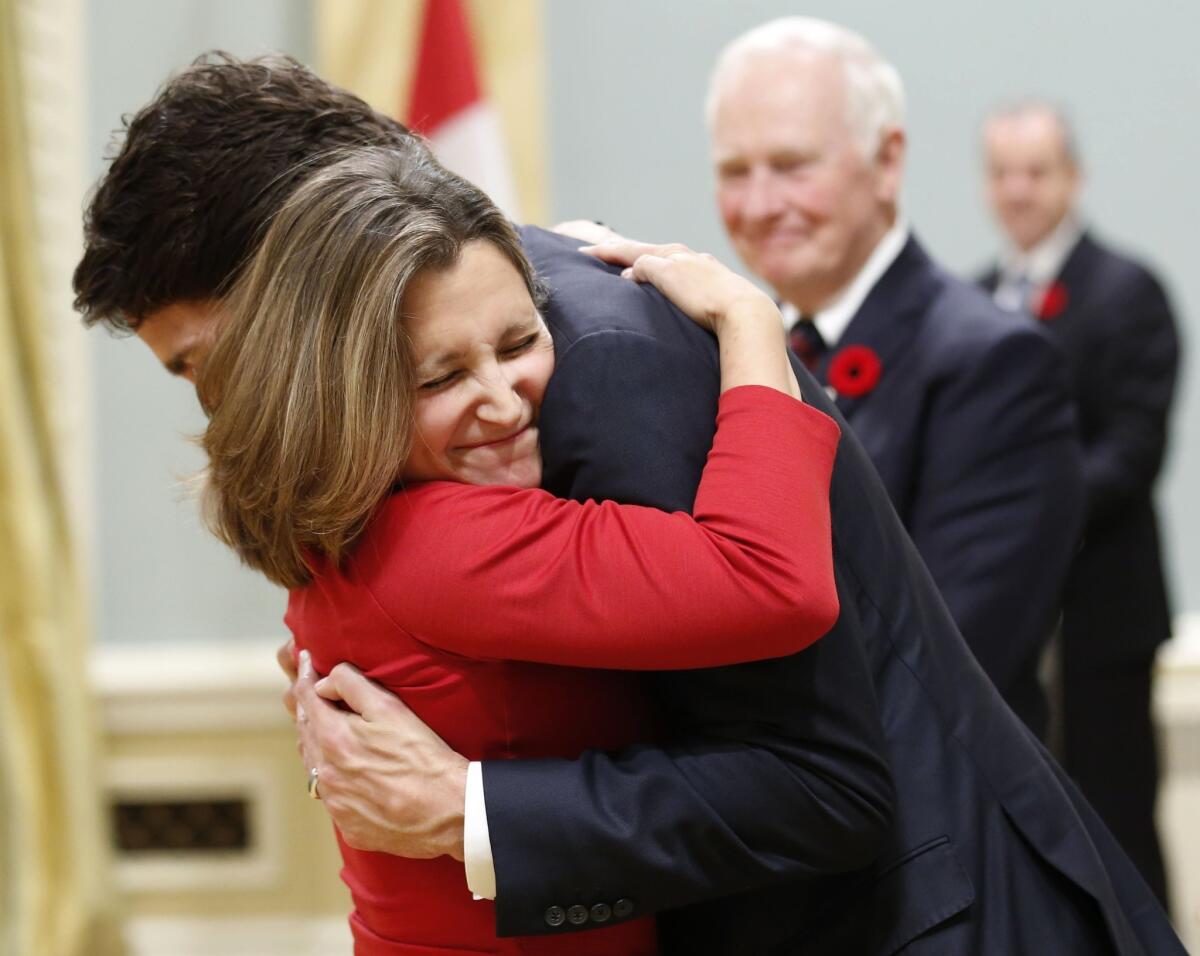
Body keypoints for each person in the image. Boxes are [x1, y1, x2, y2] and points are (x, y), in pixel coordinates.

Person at [75, 53, 1186, 955]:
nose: (222, 413)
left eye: (207, 362)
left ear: (300, 279)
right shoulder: (454, 387)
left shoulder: (589, 363)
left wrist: (468, 808)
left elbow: (829, 782)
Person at [197, 142, 843, 954]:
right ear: (349, 394)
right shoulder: (441, 545)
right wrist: (750, 320)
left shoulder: (353, 523)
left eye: (517, 344)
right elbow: (776, 582)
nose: (503, 404)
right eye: (440, 379)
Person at [705, 17, 1084, 738]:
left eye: (791, 165)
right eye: (733, 171)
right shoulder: (718, 356)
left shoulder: (995, 366)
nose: (757, 205)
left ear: (886, 163)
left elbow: (943, 672)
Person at [979, 100, 1180, 908]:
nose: (1018, 190)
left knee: (1116, 804)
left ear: (1074, 176)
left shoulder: (1127, 290)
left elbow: (1132, 451)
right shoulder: (975, 295)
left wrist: (1023, 515)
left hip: (1101, 609)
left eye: (1036, 171)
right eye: (1002, 173)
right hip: (1004, 610)